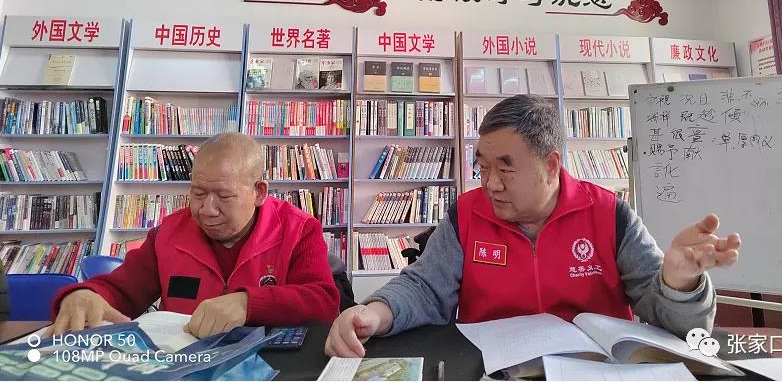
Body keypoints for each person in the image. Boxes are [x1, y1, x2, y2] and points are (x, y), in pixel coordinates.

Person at [326, 95, 742, 357]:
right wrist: (374, 313)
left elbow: (679, 328)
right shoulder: (466, 214)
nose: (490, 184)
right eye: (483, 168)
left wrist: (679, 284)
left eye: (505, 169)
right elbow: (424, 287)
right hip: (492, 370)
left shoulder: (610, 214)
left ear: (551, 165)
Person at [50, 132, 339, 337]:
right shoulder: (168, 234)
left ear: (259, 192)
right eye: (198, 193)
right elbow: (122, 290)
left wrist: (247, 303)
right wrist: (84, 294)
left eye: (224, 196)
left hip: (272, 364)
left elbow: (323, 301)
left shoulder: (298, 229)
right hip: (184, 365)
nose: (206, 210)